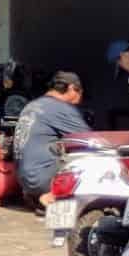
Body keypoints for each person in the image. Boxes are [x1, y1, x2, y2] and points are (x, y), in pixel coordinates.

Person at [15, 70, 91, 207]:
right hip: (41, 179)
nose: (80, 98)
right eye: (80, 92)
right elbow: (90, 140)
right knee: (94, 155)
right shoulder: (60, 108)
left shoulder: (32, 105)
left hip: (25, 180)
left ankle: (36, 195)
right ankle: (53, 195)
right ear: (72, 88)